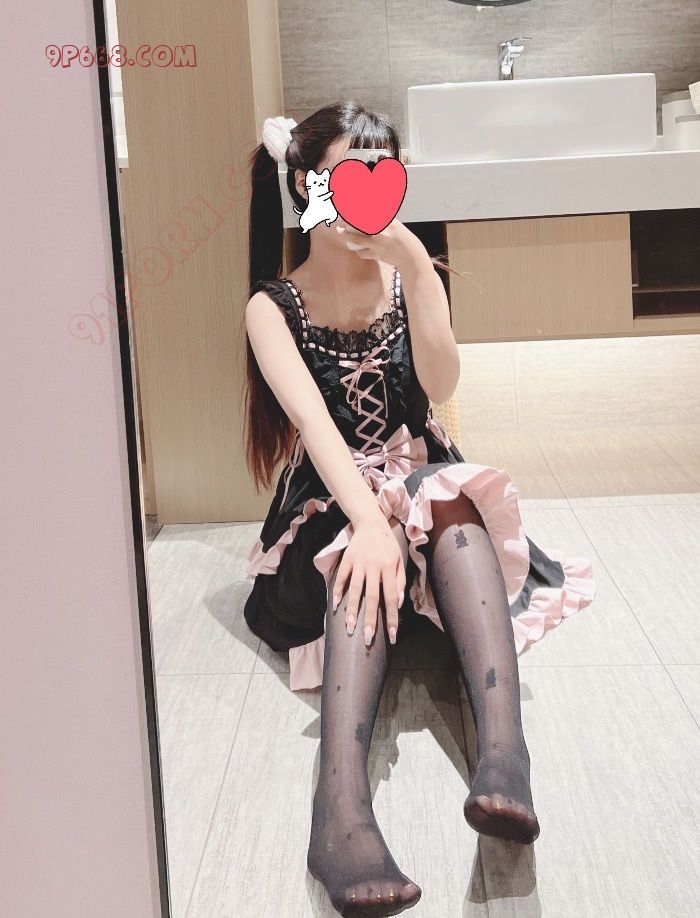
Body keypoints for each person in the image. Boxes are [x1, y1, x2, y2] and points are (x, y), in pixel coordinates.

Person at [242, 101, 595, 917]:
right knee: (352, 551)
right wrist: (370, 522)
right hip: (330, 498)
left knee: (455, 512)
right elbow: (315, 429)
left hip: (419, 478)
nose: (367, 192)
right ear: (307, 186)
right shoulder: (273, 306)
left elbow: (441, 386)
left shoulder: (407, 276)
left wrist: (415, 262)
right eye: (347, 175)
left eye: (383, 174)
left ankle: (504, 759)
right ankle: (339, 814)